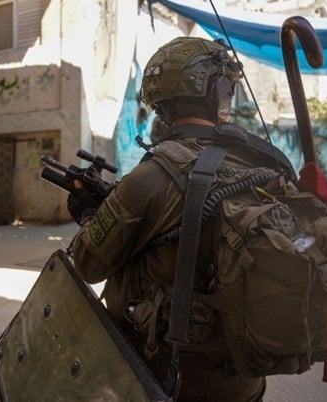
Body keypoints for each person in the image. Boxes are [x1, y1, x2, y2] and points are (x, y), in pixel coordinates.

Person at [67, 37, 267, 401]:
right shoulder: (263, 163)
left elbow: (87, 263)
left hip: (167, 378)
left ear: (162, 105)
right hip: (245, 378)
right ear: (218, 93)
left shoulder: (152, 177)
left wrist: (87, 212)